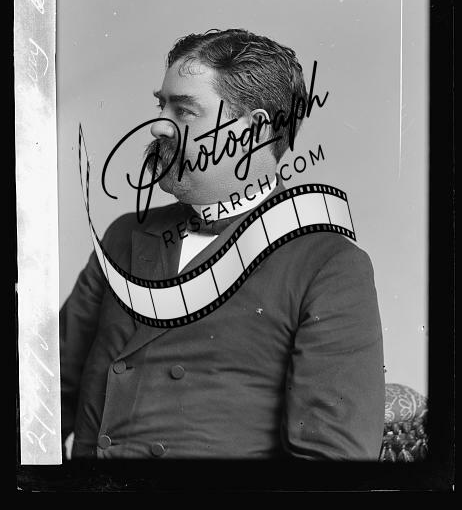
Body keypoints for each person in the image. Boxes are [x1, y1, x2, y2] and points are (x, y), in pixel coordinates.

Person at [60, 28, 385, 460]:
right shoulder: (124, 235)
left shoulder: (328, 264)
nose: (159, 124)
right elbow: (46, 389)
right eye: (161, 105)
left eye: (184, 110)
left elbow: (332, 461)